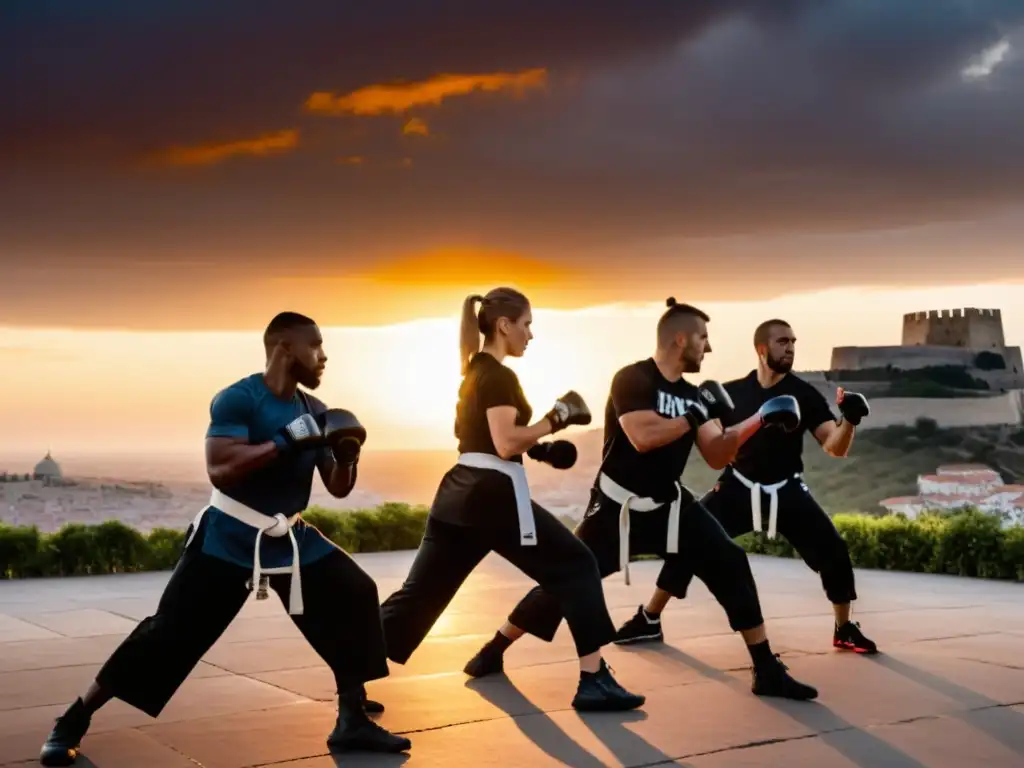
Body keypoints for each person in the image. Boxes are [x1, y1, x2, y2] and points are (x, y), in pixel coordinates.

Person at [39, 312, 410, 767]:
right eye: (315, 345)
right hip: (229, 536)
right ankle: (73, 719)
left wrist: (347, 456)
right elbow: (220, 468)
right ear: (285, 348)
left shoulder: (314, 410)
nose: (324, 355)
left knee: (353, 592)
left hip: (288, 535)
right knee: (167, 635)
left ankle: (351, 718)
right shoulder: (239, 399)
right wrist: (284, 441)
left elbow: (336, 487)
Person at [462, 299, 819, 701]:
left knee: (730, 561)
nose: (709, 348)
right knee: (566, 580)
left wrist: (759, 419)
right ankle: (495, 649)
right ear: (679, 339)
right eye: (703, 338)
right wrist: (696, 414)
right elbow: (643, 437)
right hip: (618, 507)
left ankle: (766, 668)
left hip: (670, 505)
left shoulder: (691, 394)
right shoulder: (632, 379)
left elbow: (718, 452)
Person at [379, 287, 646, 711]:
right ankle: (594, 678)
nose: (530, 335)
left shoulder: (474, 373)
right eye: (526, 325)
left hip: (458, 496)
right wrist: (555, 419)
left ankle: (350, 676)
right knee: (577, 564)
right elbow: (504, 443)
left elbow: (481, 437)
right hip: (492, 498)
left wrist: (542, 450)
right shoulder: (499, 376)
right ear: (504, 325)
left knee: (417, 598)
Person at [614, 318, 877, 655]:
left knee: (834, 551)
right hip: (737, 485)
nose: (791, 348)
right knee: (689, 543)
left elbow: (834, 446)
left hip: (786, 488)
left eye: (794, 341)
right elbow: (711, 444)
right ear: (761, 349)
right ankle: (649, 618)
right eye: (783, 341)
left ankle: (844, 628)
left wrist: (849, 421)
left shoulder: (804, 393)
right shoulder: (733, 393)